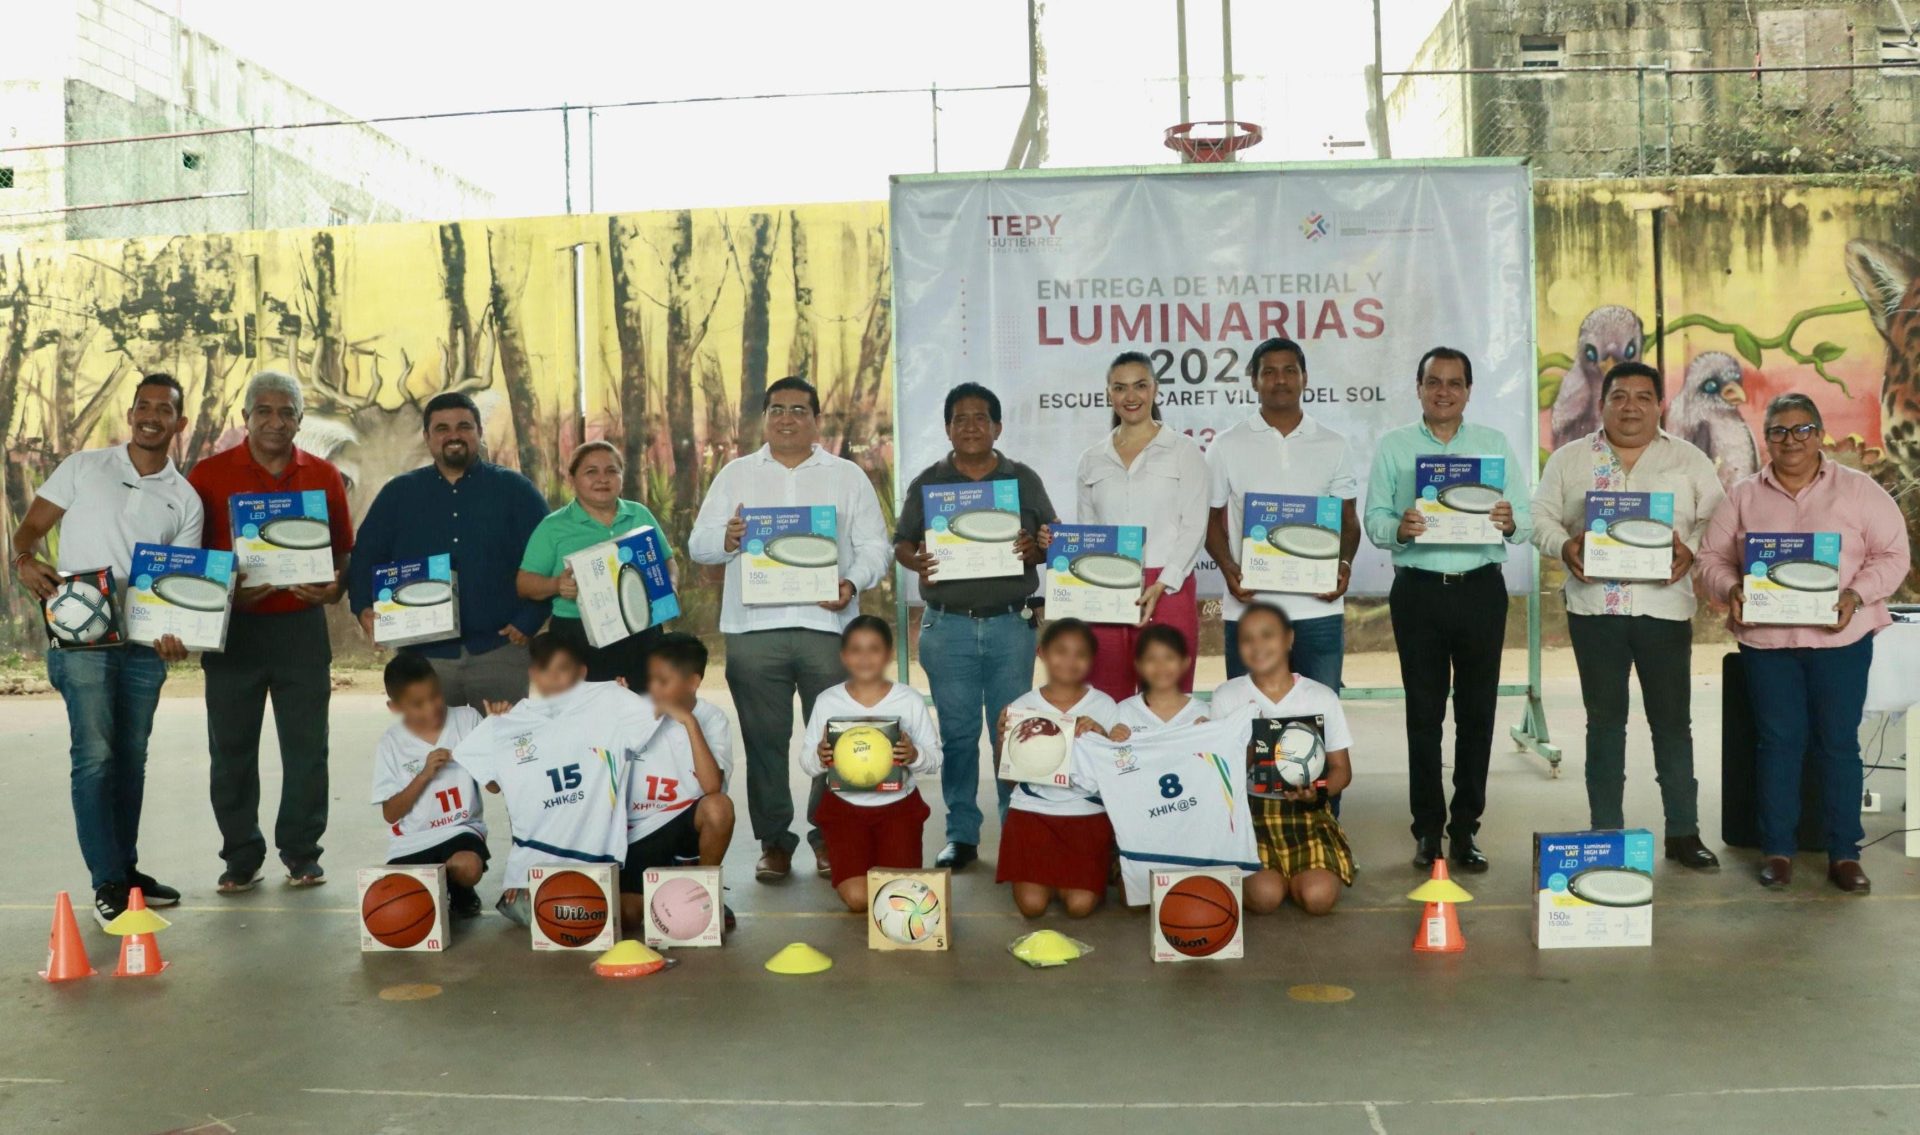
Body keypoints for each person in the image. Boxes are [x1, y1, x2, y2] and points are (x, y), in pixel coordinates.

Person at [1696, 393, 1910, 894]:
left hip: (1841, 641)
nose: (1790, 441)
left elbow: (1893, 555)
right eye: (1778, 431)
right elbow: (1711, 558)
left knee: (1838, 746)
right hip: (1767, 643)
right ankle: (1777, 850)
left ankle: (1844, 853)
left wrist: (1857, 594)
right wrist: (1732, 588)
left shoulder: (1859, 492)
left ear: (1819, 433)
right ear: (1766, 437)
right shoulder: (1743, 496)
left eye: (1801, 429)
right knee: (1777, 744)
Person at [10, 373, 199, 926]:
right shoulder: (83, 468)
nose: (151, 416)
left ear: (178, 424)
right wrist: (24, 563)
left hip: (142, 648)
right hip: (83, 640)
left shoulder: (183, 499)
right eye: (143, 406)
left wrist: (175, 636)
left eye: (164, 409)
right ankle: (108, 883)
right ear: (131, 413)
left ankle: (125, 869)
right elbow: (29, 533)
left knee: (131, 761)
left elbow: (178, 585)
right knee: (95, 758)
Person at [689, 376, 890, 883]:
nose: (786, 418)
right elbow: (699, 547)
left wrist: (851, 582)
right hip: (755, 630)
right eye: (776, 409)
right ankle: (775, 843)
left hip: (828, 626)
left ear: (816, 419)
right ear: (764, 418)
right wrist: (729, 537)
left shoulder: (846, 476)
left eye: (798, 410)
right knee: (764, 742)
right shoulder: (735, 475)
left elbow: (875, 548)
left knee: (837, 736)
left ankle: (829, 836)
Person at [1532, 361, 1724, 870]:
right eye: (1619, 396)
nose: (1631, 406)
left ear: (1660, 405)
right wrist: (1564, 545)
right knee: (1604, 724)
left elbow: (1719, 519)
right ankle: (1606, 833)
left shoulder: (1689, 460)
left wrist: (1694, 550)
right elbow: (1539, 518)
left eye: (1643, 396)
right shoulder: (1571, 459)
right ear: (1602, 403)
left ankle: (1684, 833)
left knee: (1673, 725)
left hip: (1664, 610)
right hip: (1596, 611)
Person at [1364, 346, 1532, 873]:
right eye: (1433, 381)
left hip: (1481, 589)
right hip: (1419, 591)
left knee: (1478, 714)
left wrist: (1507, 521)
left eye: (1454, 383)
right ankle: (1427, 830)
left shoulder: (1494, 446)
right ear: (1417, 388)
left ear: (1467, 391)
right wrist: (1400, 527)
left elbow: (1525, 520)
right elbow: (1375, 517)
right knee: (1424, 716)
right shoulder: (1394, 447)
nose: (1443, 391)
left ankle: (1465, 830)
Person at [188, 370, 354, 892]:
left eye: (286, 413)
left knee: (307, 749)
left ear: (300, 421)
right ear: (246, 418)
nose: (275, 422)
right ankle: (241, 856)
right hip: (233, 632)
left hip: (301, 630)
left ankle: (302, 853)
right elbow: (191, 558)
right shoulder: (209, 476)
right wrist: (229, 590)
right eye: (264, 411)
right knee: (231, 750)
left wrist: (335, 590)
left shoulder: (324, 476)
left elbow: (343, 551)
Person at [895, 382, 1054, 871]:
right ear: (947, 428)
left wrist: (1038, 548)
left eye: (980, 418)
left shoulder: (1022, 480)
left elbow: (1051, 540)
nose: (970, 426)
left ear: (998, 426)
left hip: (1011, 626)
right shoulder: (928, 482)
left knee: (1010, 734)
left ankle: (1016, 826)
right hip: (949, 629)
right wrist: (916, 560)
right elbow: (901, 542)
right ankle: (962, 834)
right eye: (960, 418)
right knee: (960, 737)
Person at [348, 391, 550, 707]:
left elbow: (547, 559)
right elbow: (364, 557)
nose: (453, 435)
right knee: (434, 753)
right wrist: (362, 608)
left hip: (500, 652)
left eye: (464, 426)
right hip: (425, 657)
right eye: (442, 428)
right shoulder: (399, 494)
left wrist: (530, 619)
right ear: (427, 438)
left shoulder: (515, 490)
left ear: (479, 433)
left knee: (501, 751)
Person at [451, 632, 664, 927]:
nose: (553, 678)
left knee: (617, 915)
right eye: (544, 670)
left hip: (596, 867)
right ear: (532, 673)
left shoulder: (612, 701)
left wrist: (624, 693)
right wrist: (497, 731)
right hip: (528, 875)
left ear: (582, 672)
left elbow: (656, 717)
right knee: (566, 920)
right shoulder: (508, 722)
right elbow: (493, 784)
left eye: (562, 669)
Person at [1206, 338, 1361, 688]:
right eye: (1269, 372)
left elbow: (1348, 522)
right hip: (1250, 609)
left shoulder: (1333, 444)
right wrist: (1229, 569)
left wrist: (1344, 564)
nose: (1280, 380)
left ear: (1304, 378)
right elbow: (1211, 521)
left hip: (1318, 611)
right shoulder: (1227, 445)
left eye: (1289, 371)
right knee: (1252, 723)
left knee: (1315, 724)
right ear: (1254, 381)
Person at [1073, 351, 1209, 701]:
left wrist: (1164, 583)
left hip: (1169, 588)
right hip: (1108, 586)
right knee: (1107, 698)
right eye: (1120, 388)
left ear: (1155, 390)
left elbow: (1195, 525)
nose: (1130, 397)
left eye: (1140, 386)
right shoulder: (1091, 458)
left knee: (1167, 699)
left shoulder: (1184, 451)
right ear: (1108, 393)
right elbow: (1089, 531)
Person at [1210, 603, 1355, 916]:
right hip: (1252, 816)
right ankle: (1270, 876)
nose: (1258, 646)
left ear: (1289, 638)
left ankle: (1304, 874)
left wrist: (1318, 792)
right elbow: (1216, 775)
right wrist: (1246, 750)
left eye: (1267, 635)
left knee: (1317, 898)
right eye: (1247, 639)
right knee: (1265, 898)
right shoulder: (1227, 696)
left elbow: (1342, 770)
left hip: (1308, 813)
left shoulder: (1321, 696)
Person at [800, 616, 943, 913]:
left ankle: (889, 864)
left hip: (898, 810)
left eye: (874, 649)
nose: (864, 658)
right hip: (844, 811)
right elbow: (807, 763)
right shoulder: (828, 701)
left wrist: (914, 755)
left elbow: (936, 758)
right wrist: (821, 756)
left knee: (898, 900)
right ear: (843, 656)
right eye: (855, 649)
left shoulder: (908, 700)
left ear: (888, 654)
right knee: (859, 899)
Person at [518, 440, 673, 688]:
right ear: (572, 479)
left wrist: (670, 585)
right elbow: (524, 583)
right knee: (589, 718)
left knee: (644, 712)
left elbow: (666, 559)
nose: (603, 479)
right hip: (578, 637)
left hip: (641, 628)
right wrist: (557, 585)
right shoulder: (553, 526)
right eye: (591, 472)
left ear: (621, 477)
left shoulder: (639, 514)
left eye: (612, 471)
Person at [996, 618, 1123, 919]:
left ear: (1092, 661)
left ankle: (1085, 872)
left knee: (1079, 907)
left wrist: (1103, 738)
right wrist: (1004, 740)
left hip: (1085, 817)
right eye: (1060, 651)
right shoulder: (1022, 706)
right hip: (1032, 816)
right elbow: (1011, 783)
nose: (1069, 660)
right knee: (1032, 906)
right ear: (1041, 652)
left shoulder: (1106, 706)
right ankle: (1047, 878)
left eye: (1080, 654)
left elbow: (1119, 777)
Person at [618, 632, 736, 931]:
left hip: (682, 822)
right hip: (637, 831)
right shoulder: (634, 710)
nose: (654, 687)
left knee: (719, 807)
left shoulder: (713, 718)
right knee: (630, 917)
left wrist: (689, 722)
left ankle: (703, 891)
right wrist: (612, 708)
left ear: (693, 682)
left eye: (663, 680)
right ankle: (670, 876)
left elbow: (711, 788)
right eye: (652, 678)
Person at [370, 654, 488, 918]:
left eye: (436, 696)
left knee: (467, 867)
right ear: (395, 708)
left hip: (460, 829)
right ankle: (433, 889)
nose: (432, 708)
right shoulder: (390, 743)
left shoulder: (467, 719)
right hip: (412, 841)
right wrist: (423, 775)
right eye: (418, 704)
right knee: (395, 903)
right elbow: (390, 814)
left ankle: (458, 890)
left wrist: (491, 739)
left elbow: (494, 786)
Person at [1115, 625, 1208, 733]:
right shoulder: (1123, 712)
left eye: (1169, 658)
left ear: (1185, 663)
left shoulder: (1204, 712)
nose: (1161, 666)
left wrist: (1212, 732)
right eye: (1151, 659)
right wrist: (1113, 738)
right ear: (1138, 665)